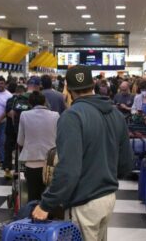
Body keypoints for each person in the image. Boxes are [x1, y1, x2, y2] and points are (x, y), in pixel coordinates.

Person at [32, 65, 133, 241]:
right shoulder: (116, 114)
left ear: (68, 90)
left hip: (84, 201)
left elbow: (68, 169)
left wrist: (46, 204)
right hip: (108, 197)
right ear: (93, 84)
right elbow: (126, 163)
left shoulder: (72, 116)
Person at [17, 91, 59, 201]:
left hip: (32, 162)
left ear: (30, 103)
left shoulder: (24, 115)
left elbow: (20, 141)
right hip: (51, 162)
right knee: (49, 197)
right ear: (44, 102)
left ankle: (33, 217)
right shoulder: (55, 115)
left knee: (33, 195)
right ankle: (49, 217)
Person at [4, 84, 26, 179]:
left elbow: (9, 113)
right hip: (18, 129)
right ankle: (17, 170)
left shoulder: (10, 100)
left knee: (9, 149)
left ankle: (8, 169)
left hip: (10, 129)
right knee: (19, 149)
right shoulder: (21, 101)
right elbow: (10, 113)